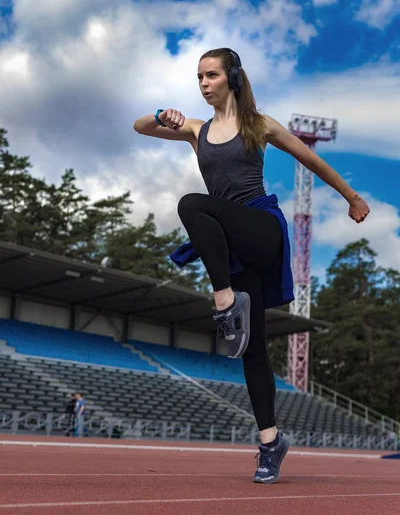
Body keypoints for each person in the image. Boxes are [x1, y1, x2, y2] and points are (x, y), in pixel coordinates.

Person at [133, 47, 370, 483]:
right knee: (254, 349)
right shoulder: (196, 130)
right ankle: (270, 442)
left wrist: (351, 197)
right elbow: (140, 127)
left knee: (191, 204)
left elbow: (312, 160)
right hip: (232, 250)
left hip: (260, 228)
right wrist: (161, 114)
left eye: (211, 76)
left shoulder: (259, 125)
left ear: (233, 78)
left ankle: (224, 301)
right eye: (198, 78)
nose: (203, 84)